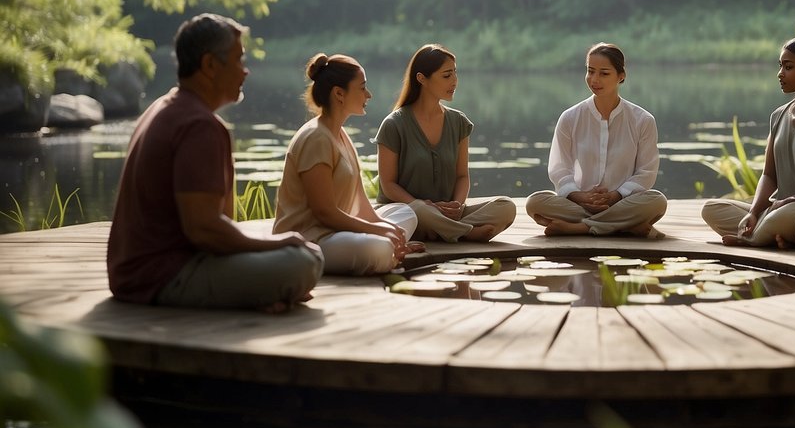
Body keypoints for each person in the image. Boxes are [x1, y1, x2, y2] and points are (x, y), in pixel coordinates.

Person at [107, 14, 322, 312]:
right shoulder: (199, 125)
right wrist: (279, 245)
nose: (245, 72)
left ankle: (255, 290)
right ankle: (257, 291)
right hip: (160, 277)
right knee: (304, 261)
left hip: (135, 272)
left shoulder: (164, 106)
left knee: (286, 247)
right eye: (238, 60)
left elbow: (207, 229)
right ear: (209, 65)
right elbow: (203, 229)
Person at [274, 54, 423, 275]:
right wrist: (379, 232)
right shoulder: (316, 138)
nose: (369, 94)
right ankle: (386, 252)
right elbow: (324, 213)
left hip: (338, 233)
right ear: (339, 94)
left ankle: (389, 248)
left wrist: (388, 229)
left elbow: (361, 204)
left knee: (405, 214)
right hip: (311, 240)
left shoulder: (341, 134)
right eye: (363, 88)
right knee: (379, 247)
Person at [701, 35, 795, 247]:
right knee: (711, 209)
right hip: (780, 207)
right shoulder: (778, 116)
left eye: (788, 67)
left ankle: (754, 240)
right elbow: (769, 174)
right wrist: (754, 212)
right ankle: (784, 237)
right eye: (780, 66)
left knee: (780, 217)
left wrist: (793, 200)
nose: (780, 74)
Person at [374, 44, 516, 242]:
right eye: (447, 75)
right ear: (422, 79)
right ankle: (465, 233)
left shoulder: (458, 122)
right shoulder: (393, 124)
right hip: (406, 212)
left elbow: (462, 175)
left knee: (506, 206)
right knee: (420, 211)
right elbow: (388, 185)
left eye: (455, 74)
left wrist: (457, 206)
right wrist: (423, 205)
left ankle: (445, 230)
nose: (455, 81)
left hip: (446, 214)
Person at [526, 42, 668, 237]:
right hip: (579, 205)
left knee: (656, 201)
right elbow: (559, 169)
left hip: (622, 203)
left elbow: (646, 172)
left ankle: (580, 228)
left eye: (604, 73)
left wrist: (615, 196)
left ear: (621, 76)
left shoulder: (642, 120)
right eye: (590, 71)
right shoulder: (570, 118)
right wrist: (580, 196)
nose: (594, 79)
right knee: (535, 202)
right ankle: (623, 225)